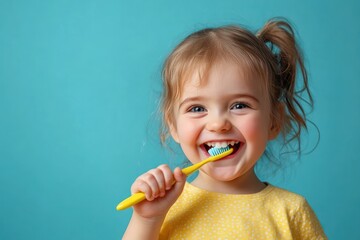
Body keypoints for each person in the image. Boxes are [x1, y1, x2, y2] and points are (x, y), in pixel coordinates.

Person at [123, 18, 327, 239]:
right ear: (173, 125)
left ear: (273, 120)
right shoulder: (163, 207)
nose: (218, 124)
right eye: (197, 108)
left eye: (239, 105)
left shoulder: (291, 211)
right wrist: (147, 219)